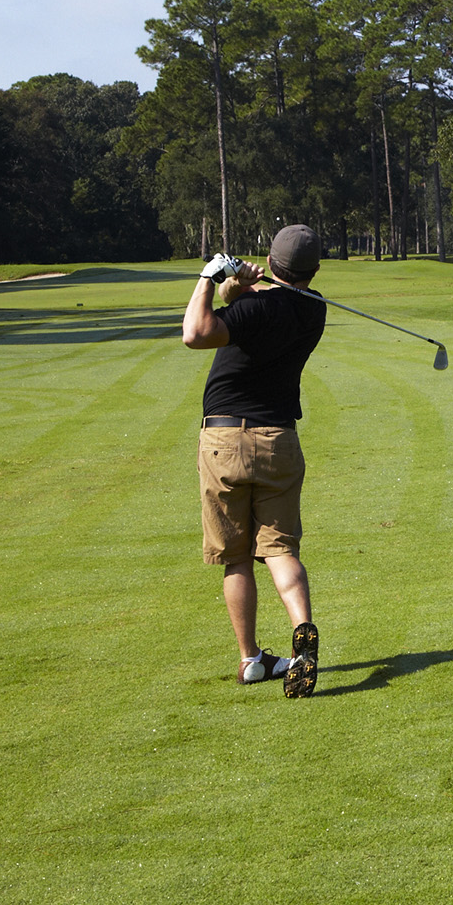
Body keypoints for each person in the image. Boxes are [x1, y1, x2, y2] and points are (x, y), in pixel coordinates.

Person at [181, 224, 327, 698]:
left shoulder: (253, 308)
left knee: (236, 556)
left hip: (224, 440)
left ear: (270, 259)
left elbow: (195, 333)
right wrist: (238, 285)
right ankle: (301, 634)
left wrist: (209, 278)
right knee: (281, 550)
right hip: (279, 440)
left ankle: (249, 659)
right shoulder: (314, 308)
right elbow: (256, 303)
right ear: (314, 270)